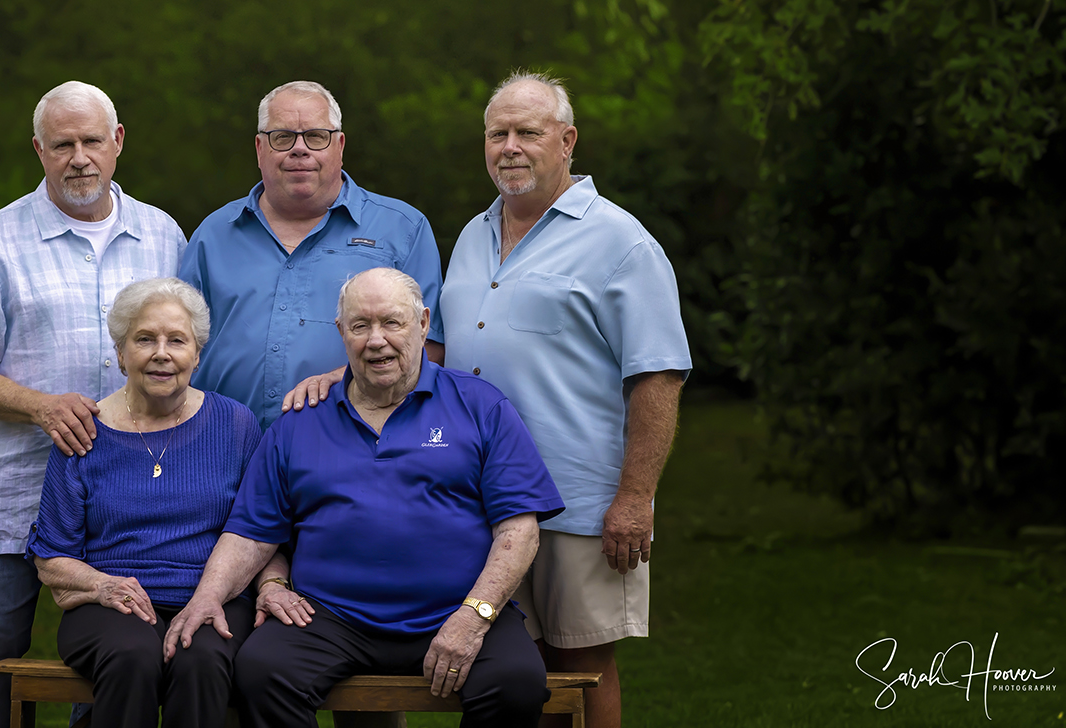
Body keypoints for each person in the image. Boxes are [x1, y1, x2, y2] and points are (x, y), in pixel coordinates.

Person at [164, 268, 565, 728]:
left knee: (516, 682)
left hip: (455, 608)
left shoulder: (481, 406)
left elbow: (519, 528)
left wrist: (475, 616)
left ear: (423, 323)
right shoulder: (300, 421)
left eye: (392, 323)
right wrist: (207, 598)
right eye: (360, 326)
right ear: (341, 332)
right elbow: (252, 533)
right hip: (331, 617)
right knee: (263, 671)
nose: (376, 341)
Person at [0, 81, 187, 728]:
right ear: (39, 150)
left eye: (92, 141)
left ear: (118, 142)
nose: (79, 158)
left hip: (128, 499)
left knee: (113, 655)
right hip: (18, 490)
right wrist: (42, 407)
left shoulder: (164, 238)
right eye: (62, 144)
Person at [438, 71, 691, 728]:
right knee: (507, 666)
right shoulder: (471, 234)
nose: (510, 147)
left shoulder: (619, 240)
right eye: (498, 134)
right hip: (478, 500)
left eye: (529, 131)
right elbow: (437, 354)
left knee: (580, 666)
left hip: (577, 500)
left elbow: (658, 376)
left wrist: (635, 499)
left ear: (568, 140)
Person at [28, 277, 301, 728]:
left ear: (197, 354)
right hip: (111, 604)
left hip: (216, 594)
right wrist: (103, 586)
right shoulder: (82, 433)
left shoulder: (236, 424)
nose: (161, 353)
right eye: (144, 339)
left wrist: (273, 584)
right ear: (120, 354)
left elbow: (265, 529)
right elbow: (52, 557)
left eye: (177, 340)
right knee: (132, 655)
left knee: (202, 660)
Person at [179, 80, 445, 429]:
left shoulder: (403, 229)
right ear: (260, 149)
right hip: (221, 449)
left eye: (316, 136)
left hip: (353, 446)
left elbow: (433, 347)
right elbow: (175, 343)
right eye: (282, 137)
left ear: (340, 145)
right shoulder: (213, 234)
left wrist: (350, 378)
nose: (299, 150)